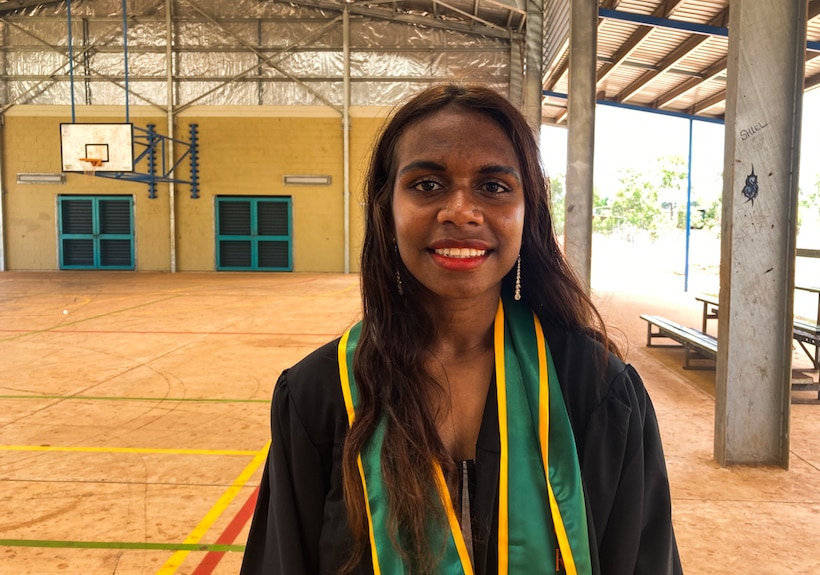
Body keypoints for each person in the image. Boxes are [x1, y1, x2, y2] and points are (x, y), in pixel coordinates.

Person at [240, 83, 683, 575]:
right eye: (427, 185)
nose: (461, 211)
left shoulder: (597, 390)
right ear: (387, 212)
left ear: (526, 214)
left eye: (493, 187)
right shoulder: (320, 395)